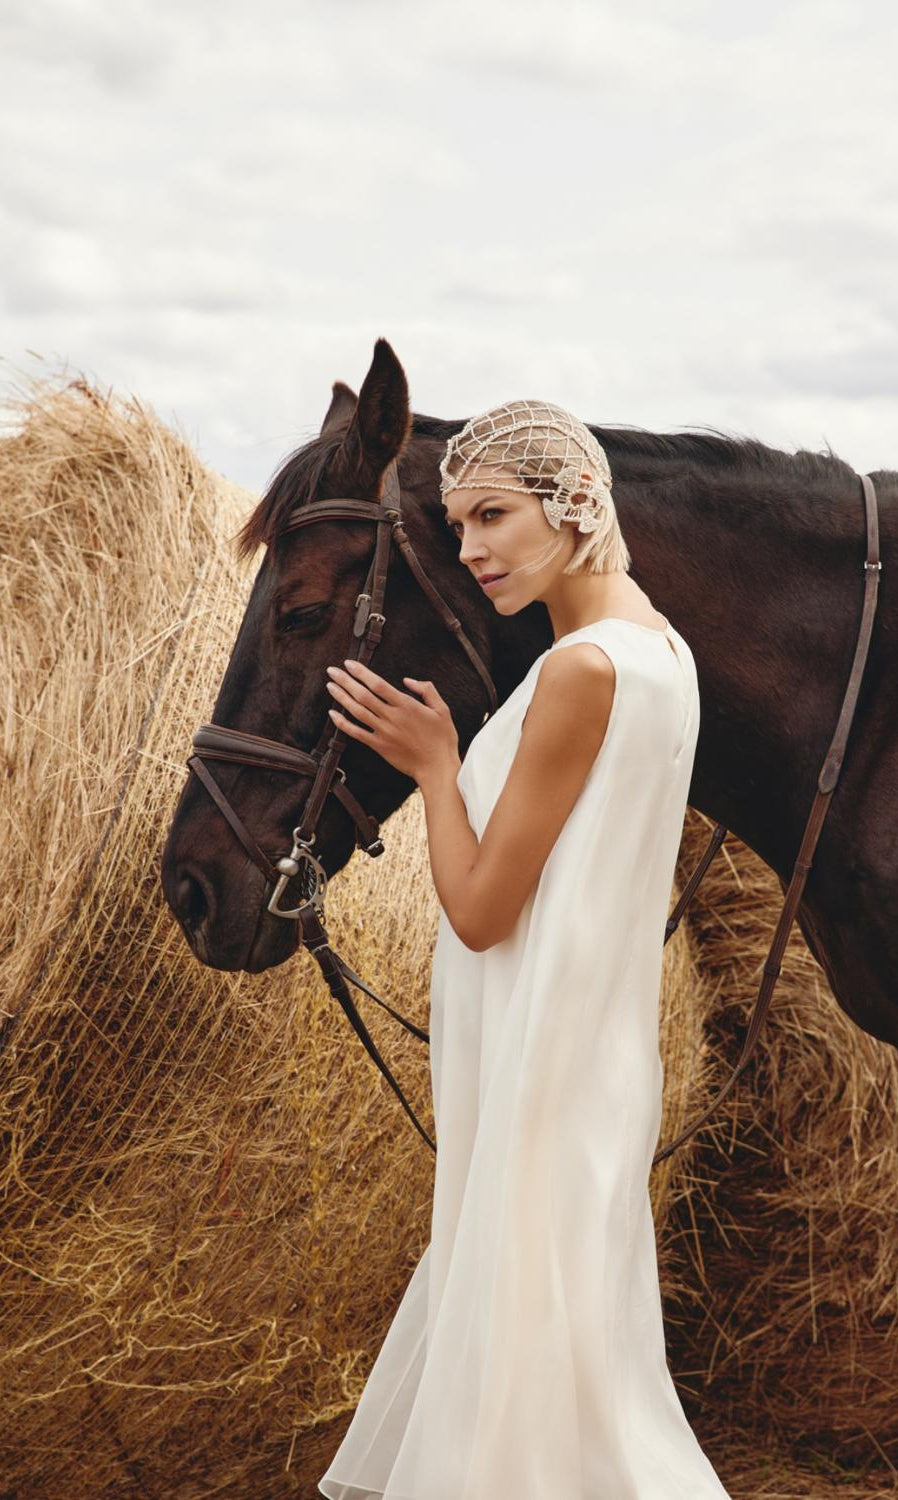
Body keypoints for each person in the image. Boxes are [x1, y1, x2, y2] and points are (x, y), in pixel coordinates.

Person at [317, 399, 731, 1498]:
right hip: (585, 1063)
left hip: (543, 1070)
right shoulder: (663, 653)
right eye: (457, 525)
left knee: (530, 1385)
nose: (472, 550)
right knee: (572, 1381)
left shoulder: (579, 673)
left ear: (578, 502)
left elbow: (482, 909)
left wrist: (436, 764)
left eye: (493, 515)